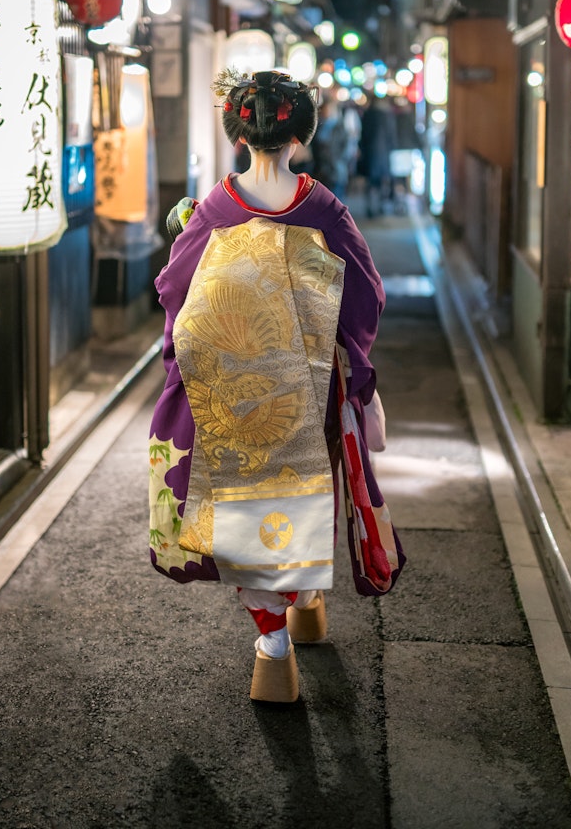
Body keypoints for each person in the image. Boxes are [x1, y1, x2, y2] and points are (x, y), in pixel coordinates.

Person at [148, 69, 404, 704]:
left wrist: (185, 359)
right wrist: (353, 362)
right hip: (306, 384)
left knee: (244, 504)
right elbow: (365, 293)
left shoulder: (216, 207)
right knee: (302, 492)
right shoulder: (321, 206)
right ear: (302, 134)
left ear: (239, 133)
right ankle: (308, 601)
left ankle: (274, 647)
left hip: (231, 388)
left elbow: (174, 290)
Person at [358, 95, 398, 217]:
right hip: (384, 154)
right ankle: (381, 206)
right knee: (383, 181)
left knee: (370, 182)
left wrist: (362, 149)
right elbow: (392, 136)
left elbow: (363, 135)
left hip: (370, 153)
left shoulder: (368, 115)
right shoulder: (388, 116)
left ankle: (370, 207)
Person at [310, 97, 350, 200]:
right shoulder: (318, 126)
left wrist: (336, 158)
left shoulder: (339, 127)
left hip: (336, 167)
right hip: (322, 168)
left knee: (337, 197)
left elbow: (345, 146)